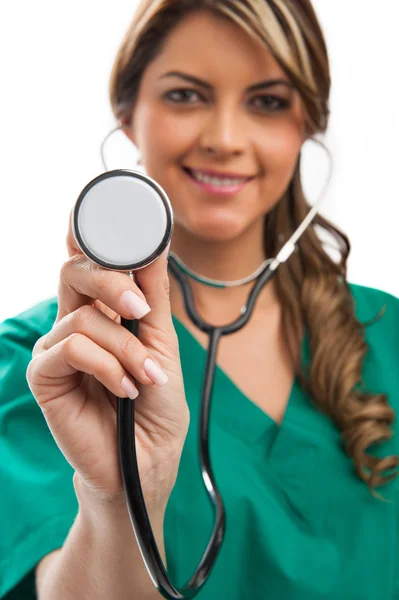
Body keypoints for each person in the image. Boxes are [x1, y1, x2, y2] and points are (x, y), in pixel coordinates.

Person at [1, 0, 399, 598]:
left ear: (307, 127)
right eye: (187, 95)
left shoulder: (389, 335)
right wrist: (117, 500)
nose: (224, 139)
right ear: (127, 113)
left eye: (267, 102)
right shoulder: (44, 365)